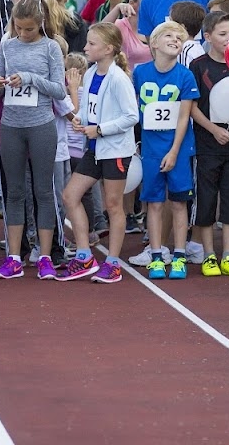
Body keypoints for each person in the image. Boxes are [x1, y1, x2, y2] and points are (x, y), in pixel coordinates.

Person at [0, 0, 67, 281]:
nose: (23, 33)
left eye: (29, 29)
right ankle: (13, 257)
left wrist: (29, 78)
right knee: (15, 192)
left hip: (41, 125)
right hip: (10, 125)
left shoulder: (51, 48)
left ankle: (45, 256)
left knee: (44, 191)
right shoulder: (7, 46)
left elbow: (60, 90)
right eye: (19, 28)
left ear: (41, 24)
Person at [58, 23, 138, 283]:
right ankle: (84, 255)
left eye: (91, 44)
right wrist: (80, 119)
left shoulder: (118, 79)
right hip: (94, 149)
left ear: (108, 49)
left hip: (114, 150)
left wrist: (100, 129)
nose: (85, 47)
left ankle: (113, 263)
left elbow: (132, 117)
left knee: (113, 205)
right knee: (70, 195)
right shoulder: (92, 73)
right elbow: (90, 109)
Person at [134, 21, 200, 281]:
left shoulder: (185, 75)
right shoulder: (140, 73)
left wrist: (174, 151)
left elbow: (184, 117)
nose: (175, 39)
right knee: (154, 203)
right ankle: (157, 255)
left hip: (179, 149)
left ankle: (180, 255)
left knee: (179, 202)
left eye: (179, 37)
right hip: (150, 150)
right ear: (154, 43)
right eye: (169, 36)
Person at [189, 11, 229, 278]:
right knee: (206, 199)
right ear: (208, 36)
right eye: (222, 34)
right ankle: (209, 255)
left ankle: (228, 256)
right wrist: (213, 130)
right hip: (207, 144)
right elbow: (191, 108)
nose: (228, 39)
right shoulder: (199, 66)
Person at [102, 0, 153, 68]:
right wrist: (117, 8)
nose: (152, 2)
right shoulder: (121, 26)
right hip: (129, 79)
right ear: (132, 3)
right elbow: (100, 32)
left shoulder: (155, 25)